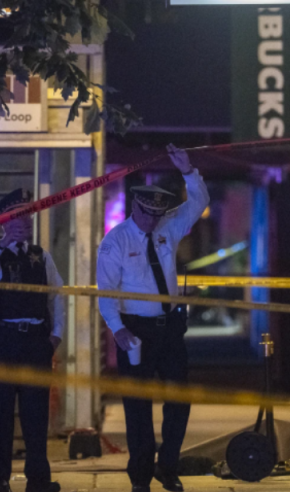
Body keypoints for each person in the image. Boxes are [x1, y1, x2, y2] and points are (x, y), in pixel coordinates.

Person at [97, 144, 210, 492]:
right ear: (135, 207)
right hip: (136, 330)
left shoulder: (167, 227)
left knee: (179, 400)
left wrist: (188, 171)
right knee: (137, 407)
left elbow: (198, 203)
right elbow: (106, 290)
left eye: (157, 215)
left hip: (170, 328)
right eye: (147, 215)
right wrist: (117, 329)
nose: (152, 221)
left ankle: (168, 466)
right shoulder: (116, 241)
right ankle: (141, 477)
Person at [0, 189, 66, 492]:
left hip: (35, 341)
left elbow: (57, 296)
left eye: (28, 216)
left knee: (36, 414)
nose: (25, 222)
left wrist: (56, 335)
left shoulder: (41, 256)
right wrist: (3, 244)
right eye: (17, 217)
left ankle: (38, 479)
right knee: (0, 412)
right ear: (4, 222)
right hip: (2, 339)